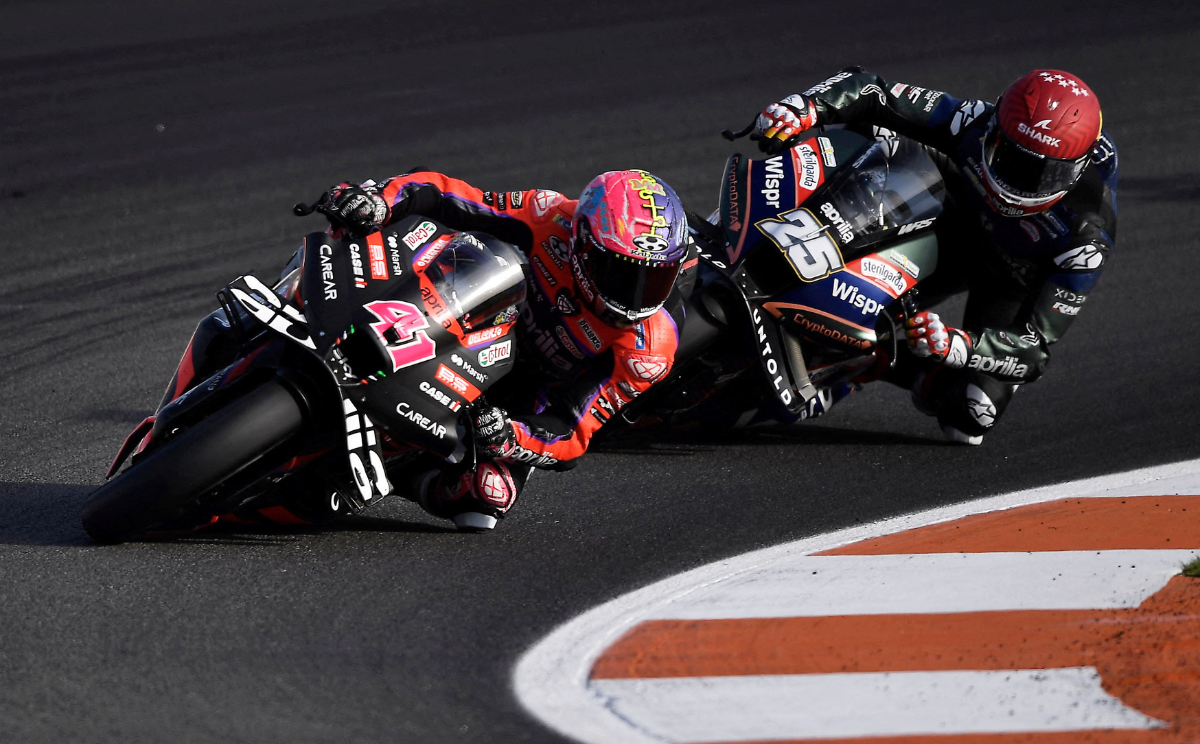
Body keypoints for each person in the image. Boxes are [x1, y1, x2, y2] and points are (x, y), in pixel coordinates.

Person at [751, 67, 1117, 444]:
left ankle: (877, 359)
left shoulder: (1086, 236)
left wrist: (958, 345)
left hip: (1007, 277)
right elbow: (875, 90)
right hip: (948, 215)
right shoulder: (973, 119)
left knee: (973, 414)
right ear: (995, 130)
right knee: (870, 133)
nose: (1020, 182)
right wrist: (805, 106)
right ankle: (765, 223)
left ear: (1077, 169)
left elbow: (1034, 350)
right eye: (1010, 158)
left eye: (1046, 175)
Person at [321, 169, 694, 530]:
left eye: (655, 277)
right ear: (582, 243)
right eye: (621, 270)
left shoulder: (649, 349)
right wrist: (382, 201)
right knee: (369, 218)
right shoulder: (550, 215)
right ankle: (316, 293)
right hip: (464, 308)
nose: (635, 293)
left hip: (522, 389)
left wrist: (510, 435)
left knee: (487, 496)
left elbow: (572, 431)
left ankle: (393, 474)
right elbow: (450, 196)